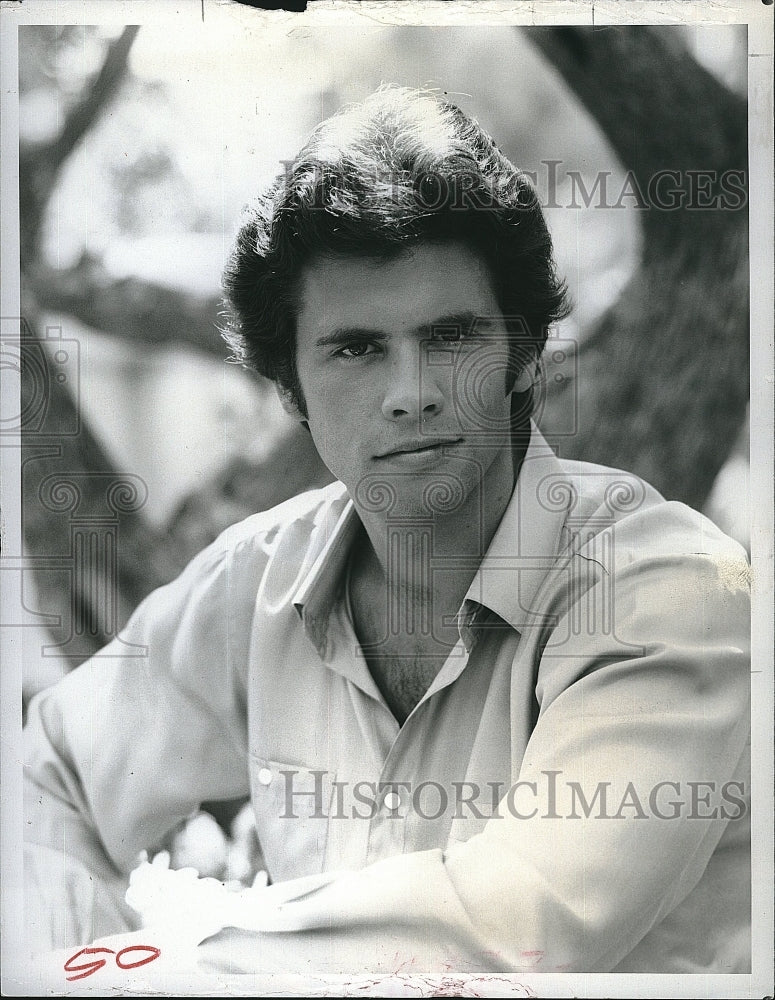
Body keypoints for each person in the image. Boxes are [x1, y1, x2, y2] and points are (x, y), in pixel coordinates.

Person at [23, 85, 751, 976]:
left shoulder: (669, 589)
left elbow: (515, 923)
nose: (410, 390)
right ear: (287, 387)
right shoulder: (255, 584)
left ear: (523, 354)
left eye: (450, 336)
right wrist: (65, 962)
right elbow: (45, 775)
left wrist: (137, 970)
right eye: (356, 348)